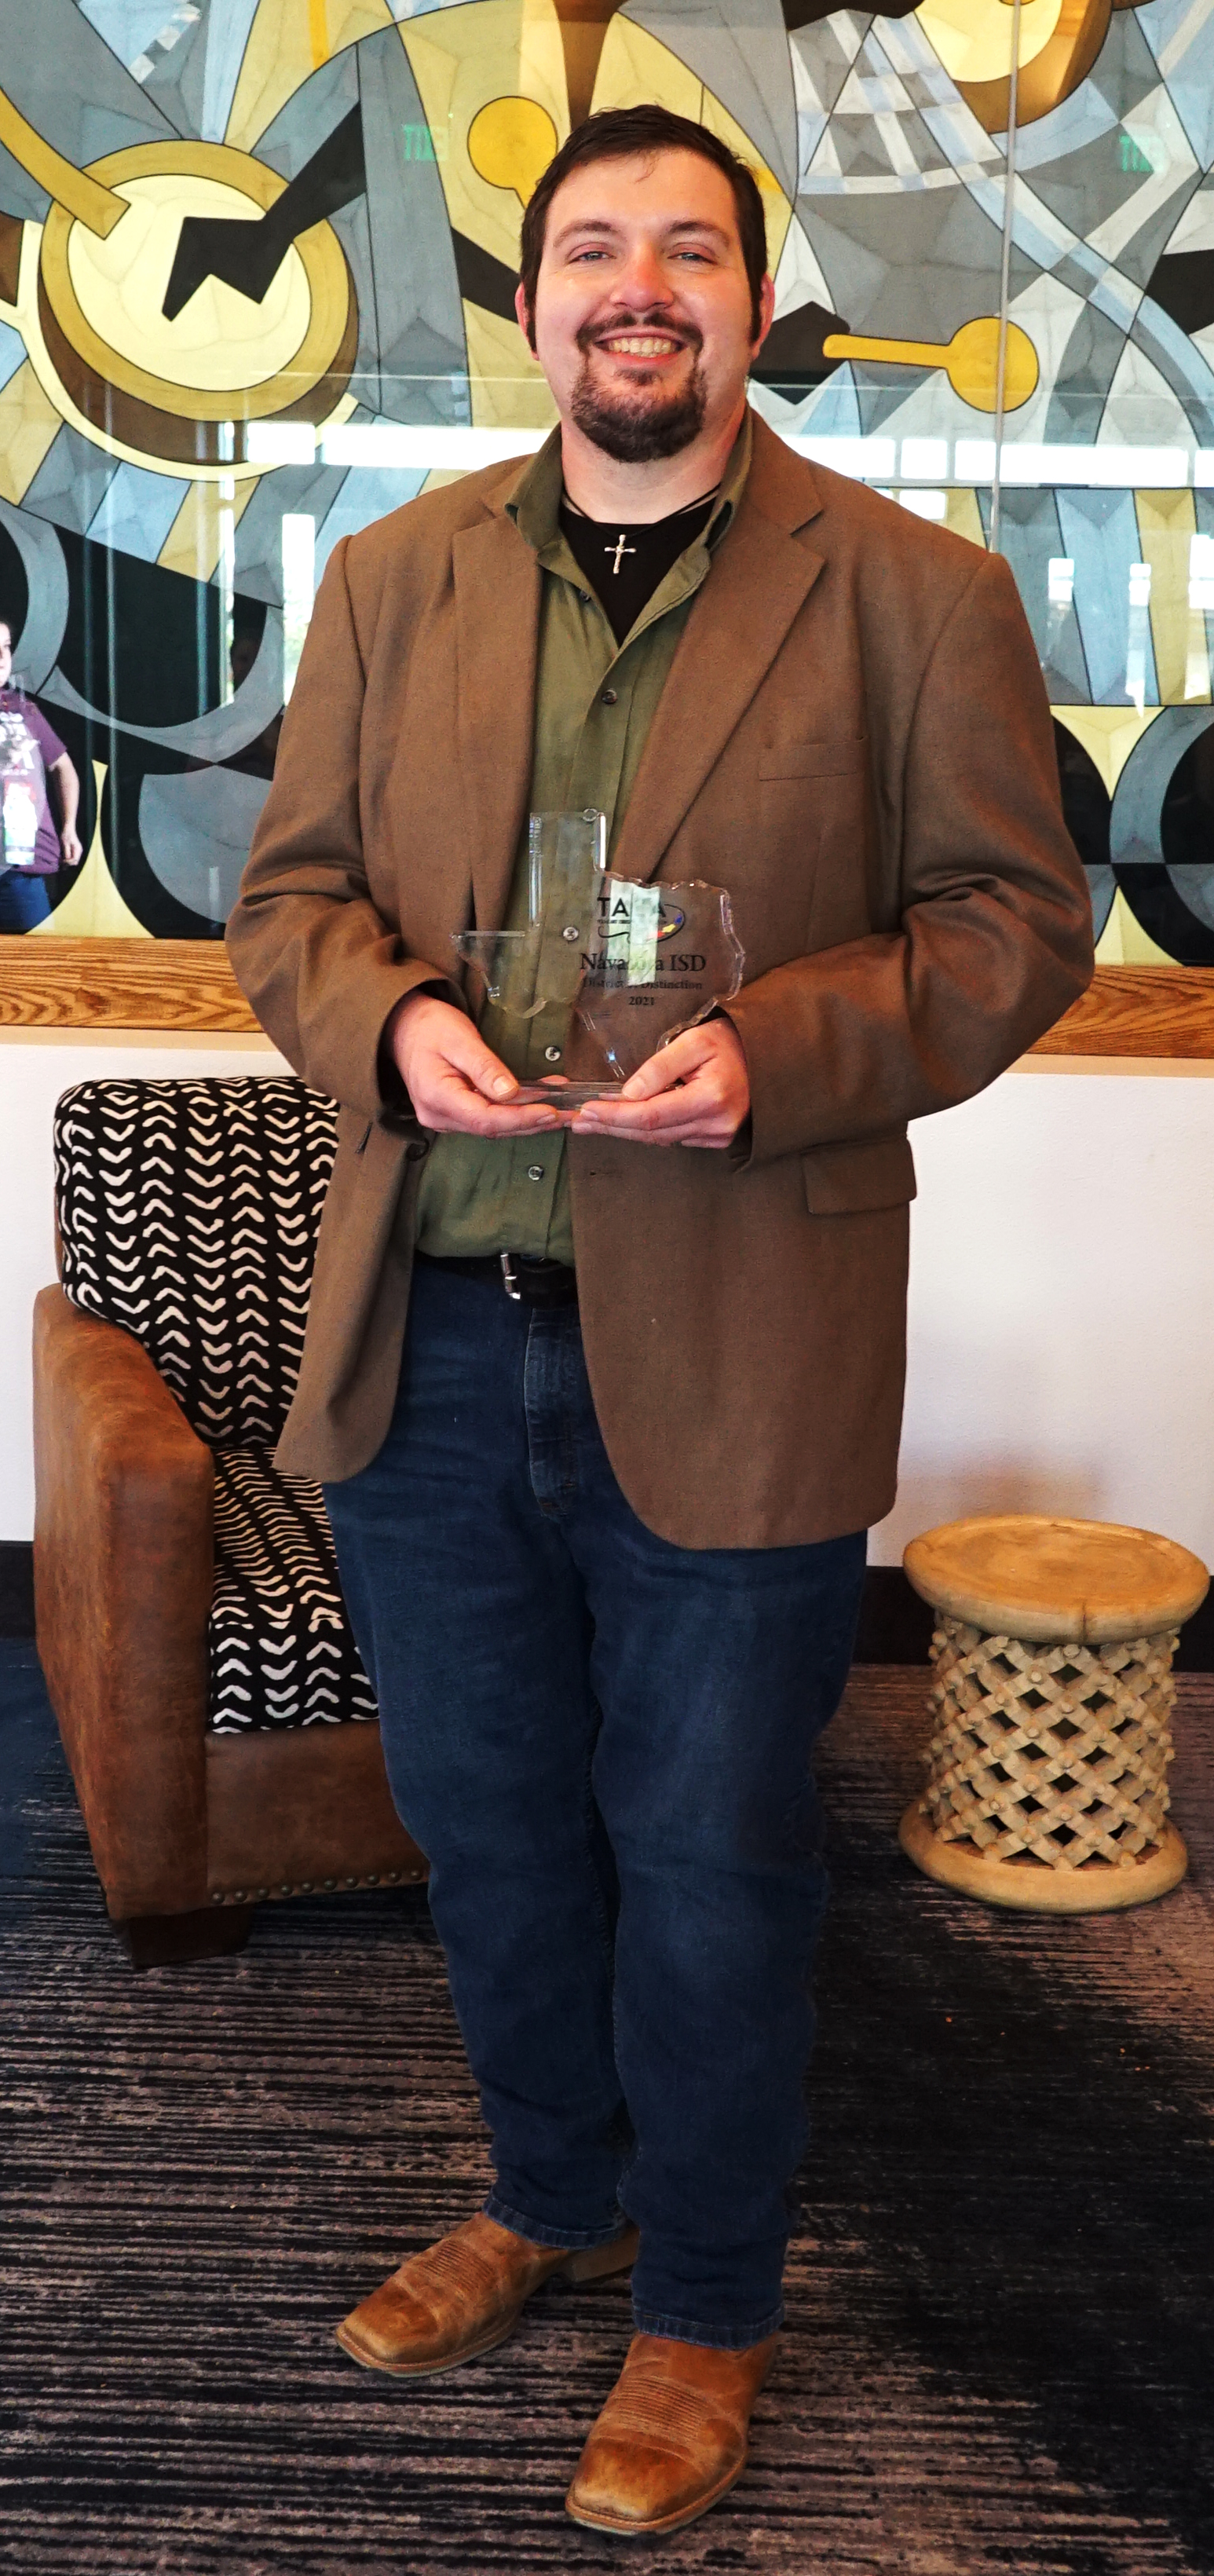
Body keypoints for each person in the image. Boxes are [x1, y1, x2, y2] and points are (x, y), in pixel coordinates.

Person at [228, 104, 1094, 2541]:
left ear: (752, 302)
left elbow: (1012, 925)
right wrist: (390, 1018)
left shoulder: (912, 593)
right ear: (530, 306)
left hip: (738, 1339)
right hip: (434, 1324)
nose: (639, 286)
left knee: (708, 1850)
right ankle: (553, 2194)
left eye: (688, 250)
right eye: (592, 248)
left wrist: (779, 1049)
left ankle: (704, 2299)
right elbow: (289, 900)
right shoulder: (392, 578)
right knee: (485, 1824)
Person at [0, 617, 82, 930]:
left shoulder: (23, 708)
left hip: (23, 867)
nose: (2, 658)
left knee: (39, 957)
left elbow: (63, 766)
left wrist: (69, 828)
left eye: (6, 647)